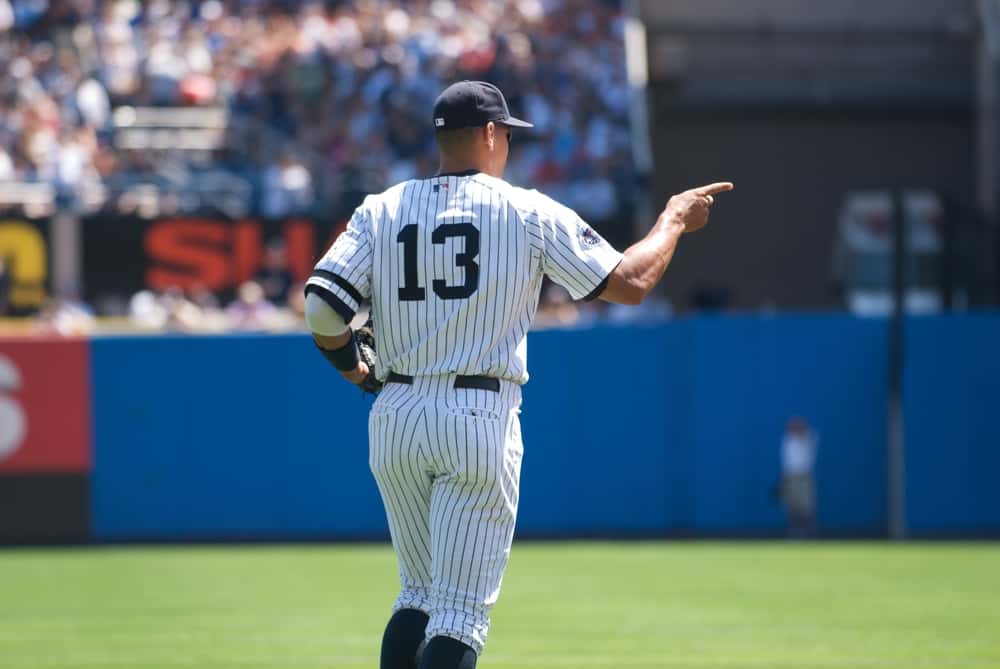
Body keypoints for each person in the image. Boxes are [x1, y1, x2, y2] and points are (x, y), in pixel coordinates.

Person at [303, 80, 732, 669]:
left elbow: (322, 306)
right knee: (458, 616)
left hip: (396, 413)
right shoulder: (524, 210)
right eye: (506, 132)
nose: (507, 143)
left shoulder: (383, 207)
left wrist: (355, 369)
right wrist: (673, 219)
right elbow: (631, 282)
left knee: (418, 597)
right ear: (488, 134)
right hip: (477, 414)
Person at [780, 416, 819, 538]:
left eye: (795, 426)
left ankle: (810, 532)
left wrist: (801, 430)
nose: (793, 428)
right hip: (790, 476)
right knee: (792, 505)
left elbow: (811, 438)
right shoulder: (788, 440)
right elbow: (786, 461)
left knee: (806, 505)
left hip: (803, 476)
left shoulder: (808, 437)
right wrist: (783, 479)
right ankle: (794, 532)